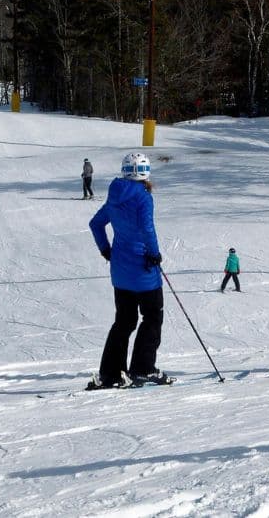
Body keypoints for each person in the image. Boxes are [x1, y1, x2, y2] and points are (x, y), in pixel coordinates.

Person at [87, 151, 169, 388]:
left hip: (121, 271)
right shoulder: (143, 197)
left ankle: (111, 372)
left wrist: (106, 250)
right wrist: (154, 254)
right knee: (152, 317)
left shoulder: (115, 195)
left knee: (124, 321)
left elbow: (96, 224)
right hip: (143, 271)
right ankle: (143, 368)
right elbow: (146, 228)